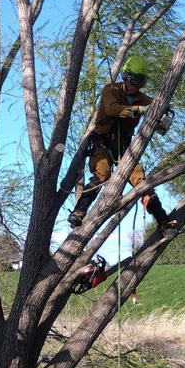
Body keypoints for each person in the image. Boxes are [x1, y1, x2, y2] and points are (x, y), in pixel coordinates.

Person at [68, 55, 177, 236]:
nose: (136, 86)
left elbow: (158, 120)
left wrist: (162, 113)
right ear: (125, 76)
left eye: (140, 83)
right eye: (134, 81)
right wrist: (139, 110)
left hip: (125, 147)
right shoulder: (110, 90)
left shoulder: (142, 98)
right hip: (103, 142)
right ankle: (78, 212)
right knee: (102, 173)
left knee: (141, 182)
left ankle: (163, 221)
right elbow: (112, 109)